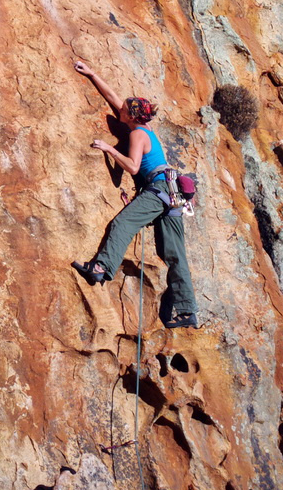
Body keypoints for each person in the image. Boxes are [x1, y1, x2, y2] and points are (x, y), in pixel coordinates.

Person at [70, 59, 200, 329]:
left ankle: (100, 268)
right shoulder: (143, 128)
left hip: (159, 189)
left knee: (123, 223)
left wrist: (109, 149)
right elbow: (113, 98)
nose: (121, 109)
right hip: (171, 193)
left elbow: (132, 166)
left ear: (132, 116)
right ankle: (188, 312)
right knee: (174, 254)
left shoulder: (138, 135)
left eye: (126, 109)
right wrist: (93, 73)